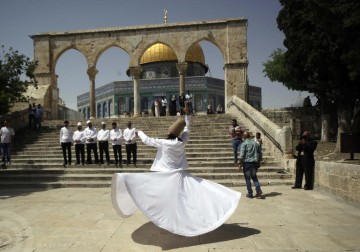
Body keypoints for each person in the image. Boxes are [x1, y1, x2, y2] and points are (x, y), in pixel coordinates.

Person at [111, 102, 241, 237]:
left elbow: (147, 140)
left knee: (163, 201)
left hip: (165, 176)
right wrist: (187, 115)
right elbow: (187, 130)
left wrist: (139, 132)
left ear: (169, 132)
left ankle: (168, 223)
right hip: (179, 175)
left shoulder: (164, 143)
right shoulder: (181, 142)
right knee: (182, 200)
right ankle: (177, 221)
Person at [239, 131, 262, 198]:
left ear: (244, 136)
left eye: (243, 136)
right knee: (254, 177)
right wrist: (259, 162)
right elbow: (260, 153)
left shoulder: (244, 144)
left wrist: (240, 163)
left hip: (247, 163)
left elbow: (242, 155)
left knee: (247, 179)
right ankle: (258, 190)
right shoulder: (256, 143)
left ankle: (250, 193)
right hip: (254, 163)